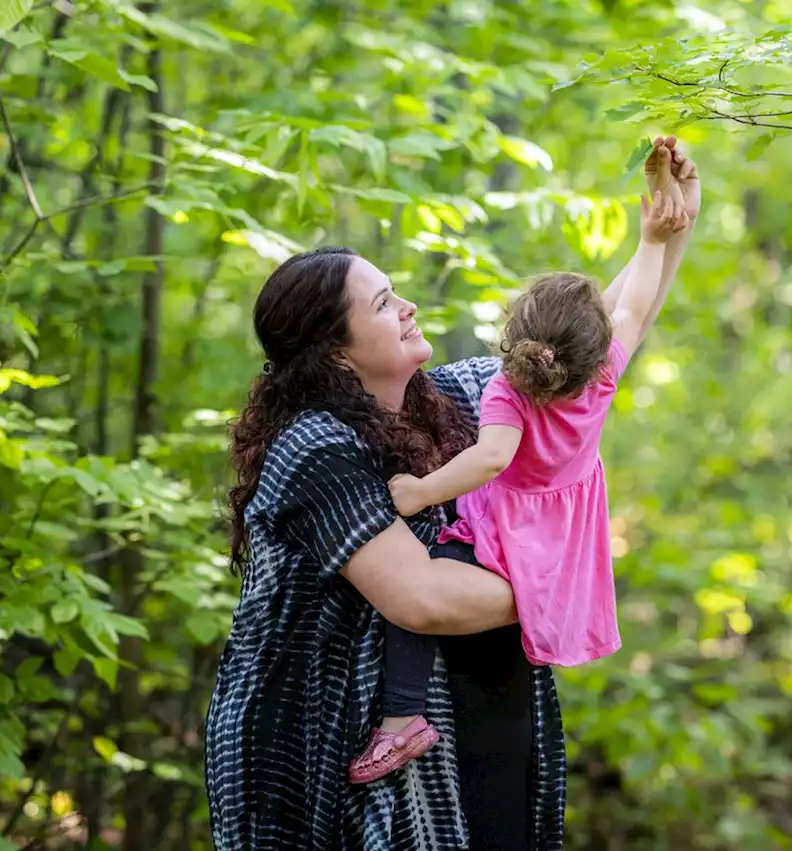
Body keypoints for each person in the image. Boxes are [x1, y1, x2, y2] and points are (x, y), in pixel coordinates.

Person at [203, 135, 699, 851]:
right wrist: (563, 583)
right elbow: (423, 597)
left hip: (482, 713)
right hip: (322, 741)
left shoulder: (464, 397)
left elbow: (596, 339)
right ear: (335, 349)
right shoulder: (314, 448)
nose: (406, 305)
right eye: (382, 302)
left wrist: (669, 225)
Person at [350, 187, 692, 783]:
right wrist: (651, 239)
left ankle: (402, 720)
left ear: (516, 331)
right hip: (567, 531)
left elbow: (489, 460)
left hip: (509, 531)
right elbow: (633, 307)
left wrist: (418, 491)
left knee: (414, 595)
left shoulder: (505, 392)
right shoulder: (602, 372)